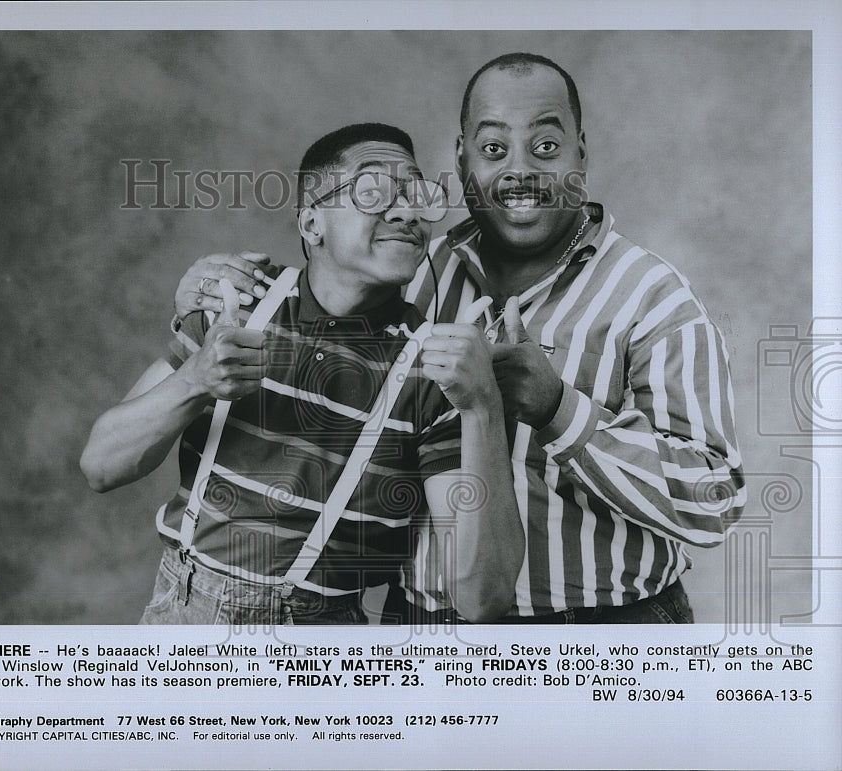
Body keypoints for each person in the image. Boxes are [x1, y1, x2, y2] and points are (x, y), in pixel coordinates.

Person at [175, 53, 747, 624]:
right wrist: (207, 292)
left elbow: (714, 503)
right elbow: (315, 327)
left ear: (581, 154)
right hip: (418, 623)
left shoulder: (654, 297)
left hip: (600, 631)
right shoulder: (417, 267)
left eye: (546, 148)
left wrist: (559, 409)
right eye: (494, 150)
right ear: (461, 159)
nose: (519, 171)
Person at [81, 122, 523, 625]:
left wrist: (482, 406)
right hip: (182, 615)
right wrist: (195, 380)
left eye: (418, 193)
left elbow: (481, 598)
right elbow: (100, 467)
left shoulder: (437, 372)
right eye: (374, 190)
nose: (407, 211)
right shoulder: (237, 305)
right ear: (313, 225)